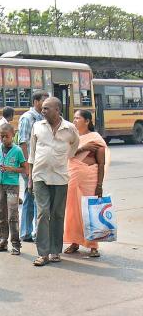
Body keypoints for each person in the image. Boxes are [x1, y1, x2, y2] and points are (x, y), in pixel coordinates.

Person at [28, 97, 79, 266]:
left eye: (46, 108)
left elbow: (73, 149)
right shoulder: (37, 127)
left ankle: (55, 250)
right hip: (40, 176)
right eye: (42, 108)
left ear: (57, 110)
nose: (43, 111)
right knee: (43, 214)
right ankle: (43, 253)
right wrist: (30, 179)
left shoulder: (70, 129)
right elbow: (32, 154)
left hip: (60, 178)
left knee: (57, 215)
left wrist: (59, 160)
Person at [63, 110, 108, 258]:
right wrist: (83, 148)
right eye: (74, 118)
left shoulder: (95, 138)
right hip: (72, 176)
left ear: (87, 121)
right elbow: (66, 154)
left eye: (78, 118)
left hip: (90, 178)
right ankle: (74, 242)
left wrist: (99, 185)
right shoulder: (72, 137)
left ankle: (93, 245)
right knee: (73, 211)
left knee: (90, 211)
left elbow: (101, 163)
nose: (74, 120)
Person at [0, 124, 27, 255]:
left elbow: (24, 168)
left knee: (13, 215)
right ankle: (2, 242)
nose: (4, 139)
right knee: (1, 215)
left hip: (12, 185)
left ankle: (16, 244)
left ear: (13, 135)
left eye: (7, 136)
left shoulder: (17, 150)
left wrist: (12, 169)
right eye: (1, 136)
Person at [17, 90, 49, 242]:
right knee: (36, 199)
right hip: (30, 165)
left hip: (40, 164)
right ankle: (34, 232)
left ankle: (27, 232)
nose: (47, 104)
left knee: (31, 198)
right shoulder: (28, 118)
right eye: (45, 101)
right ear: (36, 101)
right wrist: (27, 167)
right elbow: (23, 143)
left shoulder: (43, 118)